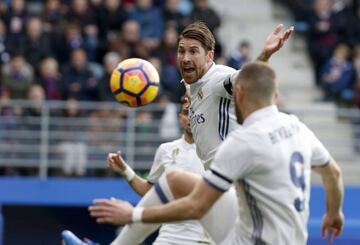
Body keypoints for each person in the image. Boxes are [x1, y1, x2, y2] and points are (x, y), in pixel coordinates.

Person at [63, 21, 293, 244]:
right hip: (225, 191)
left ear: (209, 56)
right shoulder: (195, 88)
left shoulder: (217, 78)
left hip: (234, 190)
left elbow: (244, 78)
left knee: (175, 181)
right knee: (174, 184)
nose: (185, 58)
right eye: (181, 51)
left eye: (194, 51)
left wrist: (264, 55)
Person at [89, 62, 345, 244]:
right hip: (282, 238)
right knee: (175, 179)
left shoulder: (243, 142)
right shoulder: (296, 127)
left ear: (239, 94)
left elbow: (195, 207)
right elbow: (333, 172)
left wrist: (132, 214)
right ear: (275, 95)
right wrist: (334, 213)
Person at [63, 96, 213, 244]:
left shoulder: (215, 149)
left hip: (200, 237)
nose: (192, 116)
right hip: (169, 234)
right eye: (187, 112)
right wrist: (125, 171)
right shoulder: (166, 150)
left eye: (196, 111)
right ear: (180, 117)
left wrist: (133, 214)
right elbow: (152, 193)